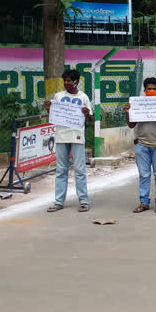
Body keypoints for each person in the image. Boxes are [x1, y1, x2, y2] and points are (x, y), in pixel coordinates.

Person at [44, 69, 94, 212]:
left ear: (76, 82)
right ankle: (59, 202)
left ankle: (84, 201)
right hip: (61, 135)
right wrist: (48, 109)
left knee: (80, 169)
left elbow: (91, 118)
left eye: (69, 81)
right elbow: (54, 116)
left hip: (77, 136)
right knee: (61, 170)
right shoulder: (58, 96)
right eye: (64, 80)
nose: (66, 83)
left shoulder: (83, 97)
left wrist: (86, 114)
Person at [124, 77, 156, 213]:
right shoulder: (137, 104)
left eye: (154, 89)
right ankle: (144, 202)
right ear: (144, 90)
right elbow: (131, 125)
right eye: (149, 89)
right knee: (144, 175)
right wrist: (128, 113)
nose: (151, 91)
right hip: (141, 144)